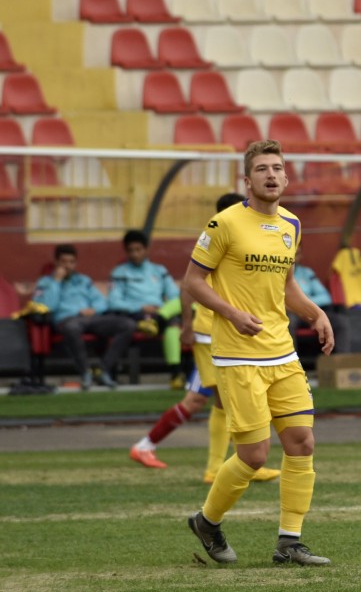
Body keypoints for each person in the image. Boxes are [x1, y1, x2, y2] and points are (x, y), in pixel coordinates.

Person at [184, 140, 335, 567]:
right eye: (262, 169)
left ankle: (290, 542)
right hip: (237, 355)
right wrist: (231, 314)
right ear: (246, 180)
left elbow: (286, 286)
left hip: (282, 353)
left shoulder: (291, 224)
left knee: (302, 442)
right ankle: (207, 521)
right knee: (253, 455)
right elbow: (193, 282)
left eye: (278, 168)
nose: (271, 175)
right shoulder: (224, 223)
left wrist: (315, 313)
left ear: (286, 178)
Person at [129, 192, 280, 484]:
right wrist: (187, 324)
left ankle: (234, 463)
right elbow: (189, 283)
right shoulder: (219, 236)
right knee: (220, 399)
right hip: (212, 332)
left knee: (219, 400)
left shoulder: (240, 237)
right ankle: (215, 466)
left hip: (227, 330)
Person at [33, 244, 132, 390]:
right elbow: (48, 307)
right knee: (72, 327)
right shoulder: (45, 283)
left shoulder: (84, 281)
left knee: (127, 325)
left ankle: (103, 369)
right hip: (66, 320)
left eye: (71, 262)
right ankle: (85, 372)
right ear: (56, 262)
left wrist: (93, 309)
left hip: (90, 318)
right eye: (63, 262)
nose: (68, 266)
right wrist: (56, 281)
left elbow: (102, 303)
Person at [106, 229, 183, 388]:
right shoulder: (119, 272)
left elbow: (175, 296)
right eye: (130, 250)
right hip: (135, 314)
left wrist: (160, 309)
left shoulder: (159, 271)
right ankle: (176, 372)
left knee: (178, 312)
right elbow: (114, 302)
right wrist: (140, 307)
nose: (135, 254)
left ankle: (175, 376)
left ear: (146, 249)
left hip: (159, 312)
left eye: (138, 250)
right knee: (172, 321)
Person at [289, 249, 350, 355]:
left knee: (341, 321)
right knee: (288, 322)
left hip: (311, 310)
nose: (295, 257)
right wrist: (298, 303)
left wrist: (304, 302)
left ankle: (342, 364)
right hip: (291, 312)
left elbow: (326, 297)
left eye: (298, 254)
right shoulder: (278, 272)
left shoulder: (307, 273)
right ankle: (291, 361)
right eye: (293, 254)